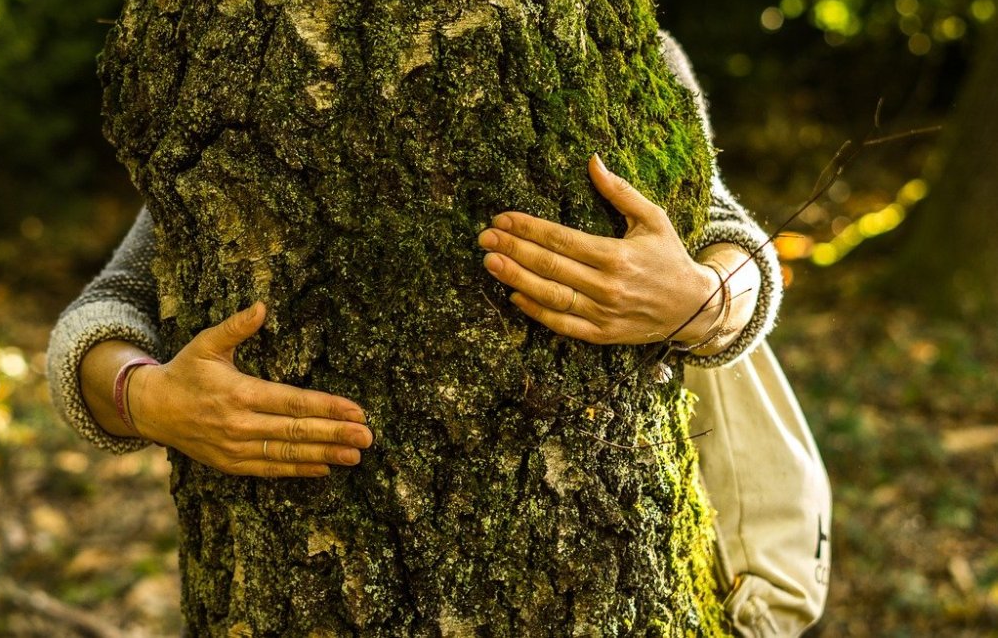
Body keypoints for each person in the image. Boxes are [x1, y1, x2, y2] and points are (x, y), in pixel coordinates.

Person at [47, 33, 826, 634]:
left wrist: (704, 296)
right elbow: (103, 310)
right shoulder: (249, 57)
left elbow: (733, 233)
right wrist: (146, 398)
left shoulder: (611, 39)